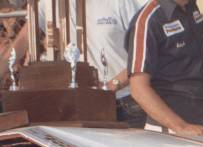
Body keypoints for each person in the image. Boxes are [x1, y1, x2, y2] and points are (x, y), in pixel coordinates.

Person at [0, 0, 148, 127]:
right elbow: (23, 41)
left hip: (128, 102)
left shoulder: (124, 2)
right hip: (84, 104)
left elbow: (147, 53)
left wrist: (111, 86)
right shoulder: (50, 4)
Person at [127, 0, 203, 135]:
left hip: (201, 120)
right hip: (170, 128)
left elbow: (201, 64)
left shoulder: (191, 7)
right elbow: (138, 88)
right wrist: (182, 127)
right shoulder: (148, 20)